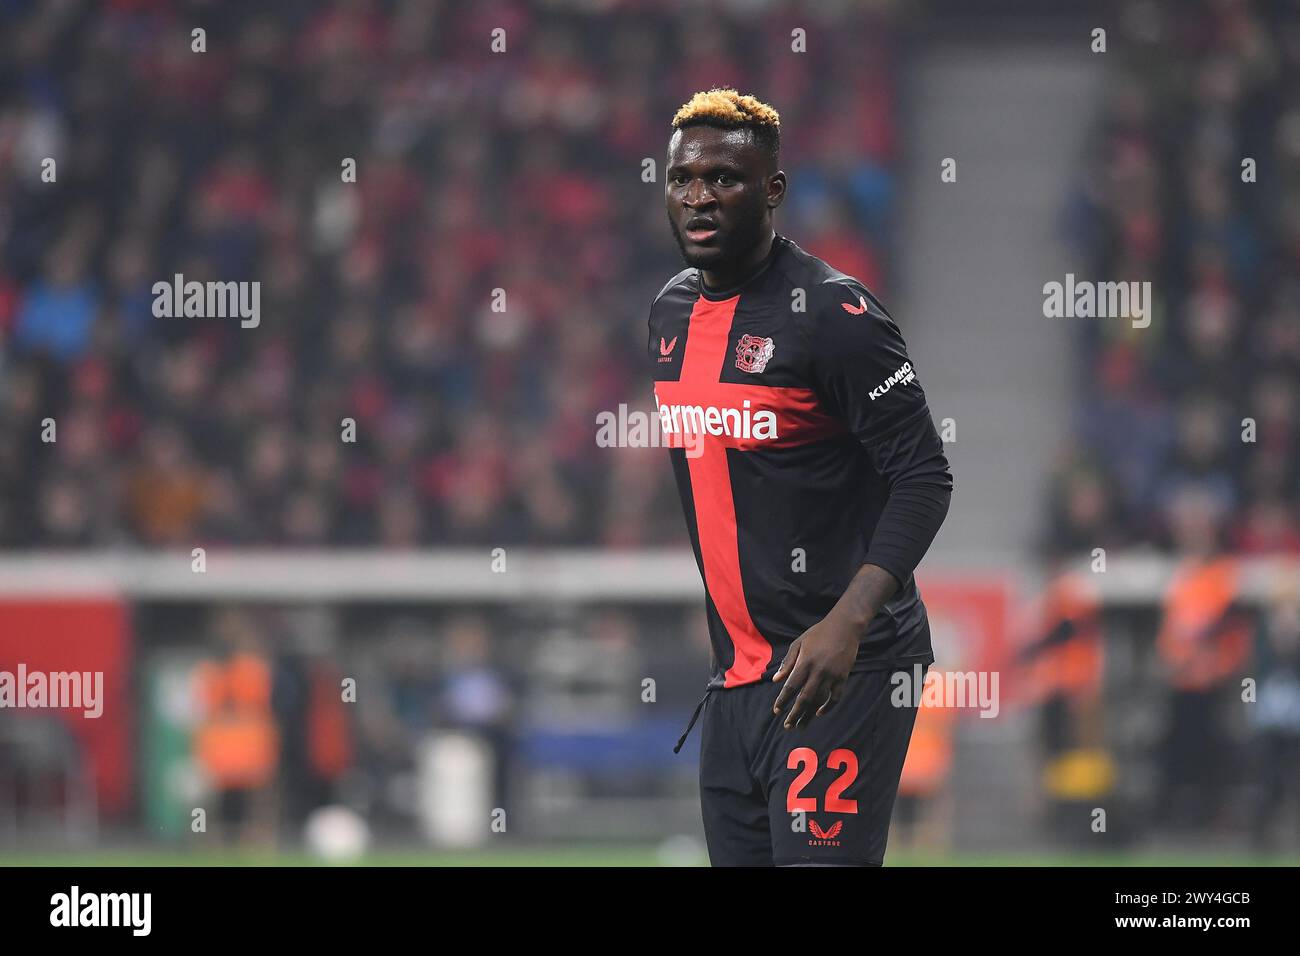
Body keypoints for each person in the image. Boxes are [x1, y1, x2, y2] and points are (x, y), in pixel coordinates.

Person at [648, 89, 952, 865]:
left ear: (774, 190)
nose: (699, 197)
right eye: (683, 179)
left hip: (844, 667)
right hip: (736, 682)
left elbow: (924, 475)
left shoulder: (832, 316)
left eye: (724, 178)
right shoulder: (669, 316)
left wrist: (847, 624)